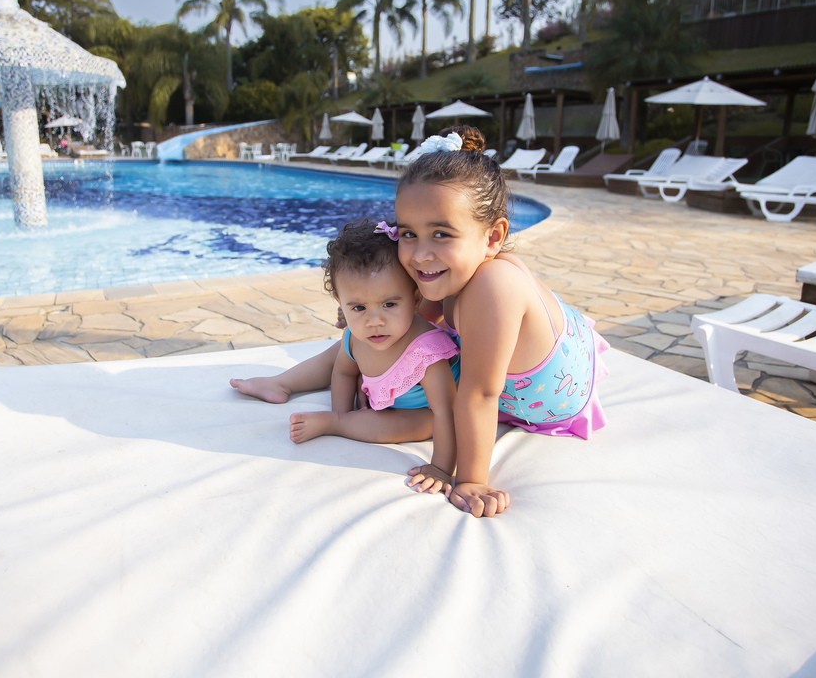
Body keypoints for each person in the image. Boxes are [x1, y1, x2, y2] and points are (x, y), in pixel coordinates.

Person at [233, 126, 610, 517]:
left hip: (552, 396)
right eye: (409, 233)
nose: (420, 254)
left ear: (493, 237)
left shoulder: (492, 287)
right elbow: (407, 329)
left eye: (441, 233)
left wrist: (470, 479)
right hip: (502, 356)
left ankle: (319, 400)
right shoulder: (449, 270)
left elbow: (480, 394)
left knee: (411, 359)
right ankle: (283, 382)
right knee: (373, 334)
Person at [232, 217, 461, 496]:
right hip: (383, 376)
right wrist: (342, 408)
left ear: (414, 300)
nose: (374, 321)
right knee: (336, 355)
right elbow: (342, 372)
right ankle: (282, 383)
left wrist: (441, 467)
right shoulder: (356, 335)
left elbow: (446, 413)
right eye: (359, 308)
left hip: (422, 409)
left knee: (419, 423)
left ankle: (336, 425)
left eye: (389, 304)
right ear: (341, 305)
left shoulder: (427, 354)